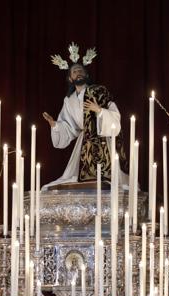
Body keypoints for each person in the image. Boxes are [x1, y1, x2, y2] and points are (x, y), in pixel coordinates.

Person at [42, 44, 128, 189]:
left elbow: (115, 116)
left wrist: (100, 111)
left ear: (86, 75)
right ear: (70, 78)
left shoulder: (99, 91)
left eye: (81, 70)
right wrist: (55, 125)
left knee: (107, 183)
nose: (78, 73)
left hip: (102, 142)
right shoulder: (69, 101)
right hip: (83, 147)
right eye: (74, 71)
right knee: (76, 182)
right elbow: (70, 128)